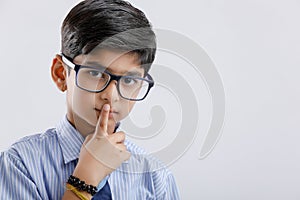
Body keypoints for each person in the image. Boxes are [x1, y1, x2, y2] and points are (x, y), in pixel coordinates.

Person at [0, 0, 180, 199]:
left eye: (129, 80)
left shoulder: (155, 178)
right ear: (61, 73)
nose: (111, 96)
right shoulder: (19, 165)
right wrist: (85, 179)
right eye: (95, 73)